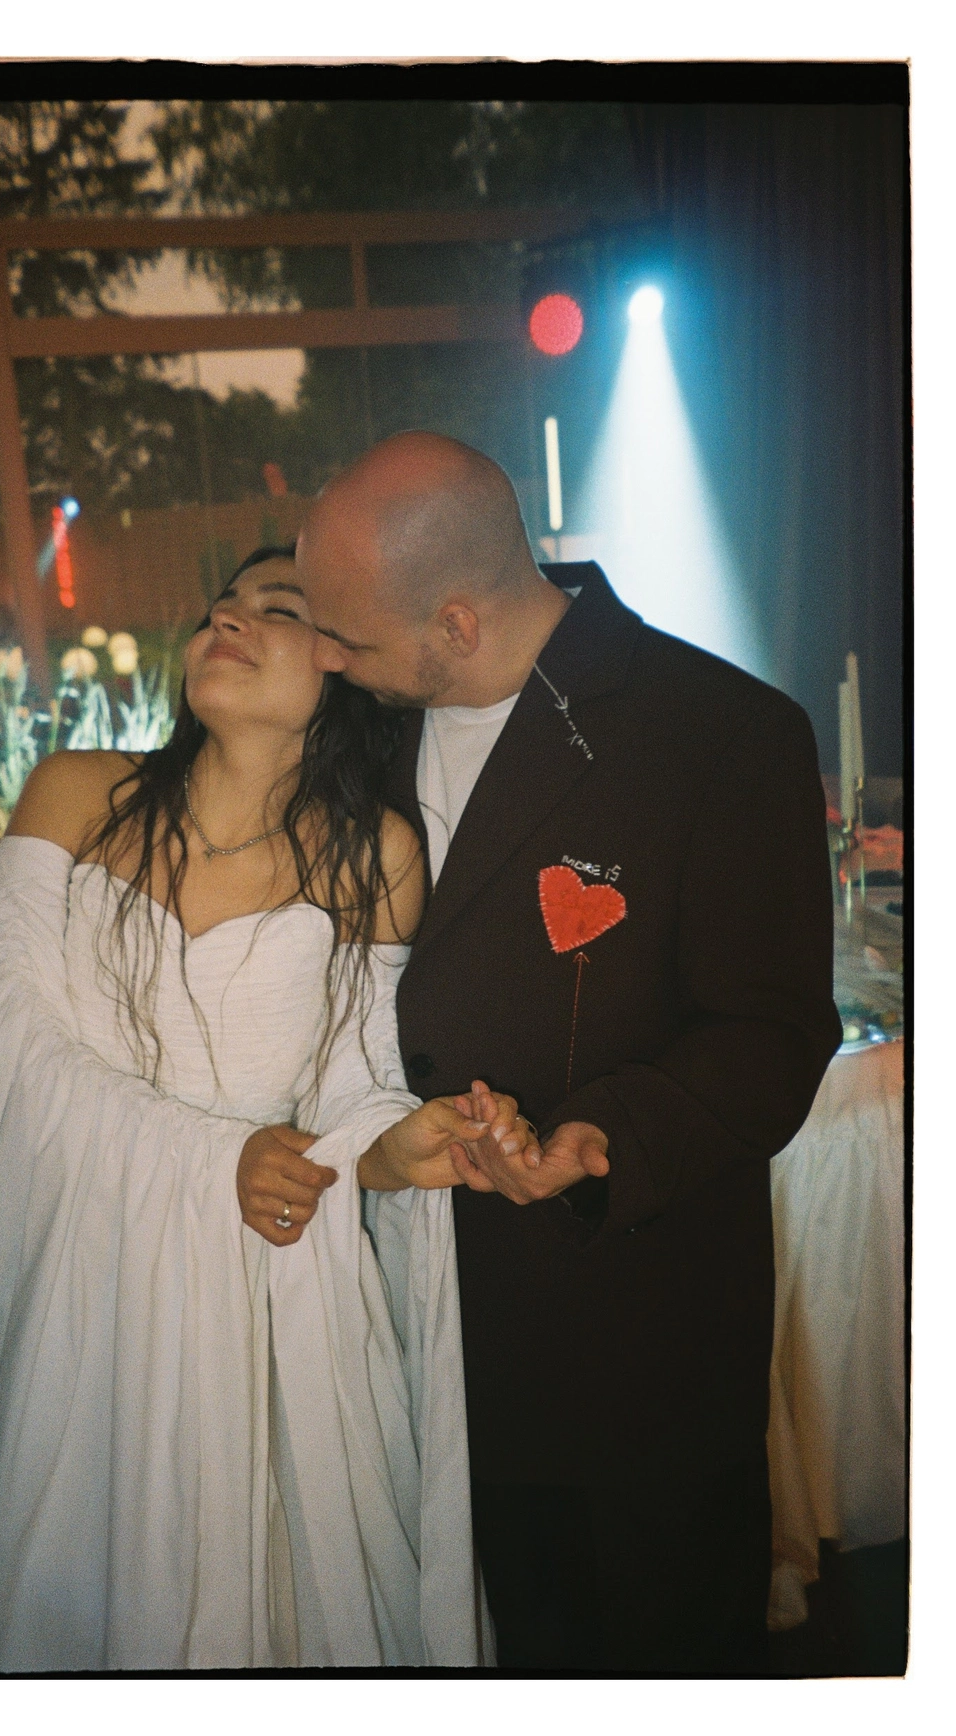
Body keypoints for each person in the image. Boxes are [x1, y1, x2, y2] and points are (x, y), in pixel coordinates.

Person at [0, 547, 537, 1674]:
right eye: (224, 600)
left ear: (343, 666)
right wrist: (209, 1158)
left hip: (266, 1300)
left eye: (279, 608)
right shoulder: (77, 793)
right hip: (73, 1290)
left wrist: (394, 1143)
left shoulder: (379, 852)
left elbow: (354, 1077)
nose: (230, 614)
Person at [293, 432, 843, 1676]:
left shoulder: (724, 733)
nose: (323, 659)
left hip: (621, 1333)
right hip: (396, 1330)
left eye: (345, 638)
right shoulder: (354, 726)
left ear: (457, 619)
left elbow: (771, 1031)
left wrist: (606, 1135)